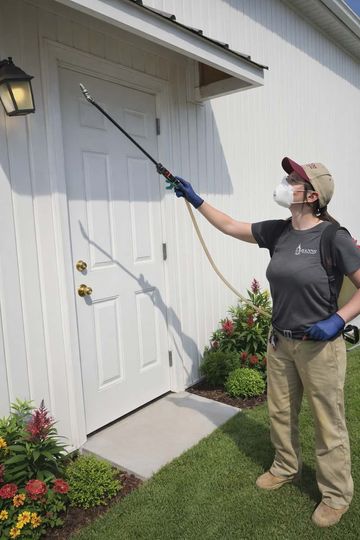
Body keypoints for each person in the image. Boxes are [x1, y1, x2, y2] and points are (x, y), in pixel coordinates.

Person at [173, 157, 360, 528]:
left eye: (294, 179)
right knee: (280, 413)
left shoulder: (333, 237)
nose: (286, 181)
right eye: (289, 176)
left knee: (328, 422)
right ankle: (286, 467)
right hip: (281, 343)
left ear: (311, 195)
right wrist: (195, 199)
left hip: (319, 347)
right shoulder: (279, 232)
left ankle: (336, 495)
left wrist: (337, 319)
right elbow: (229, 226)